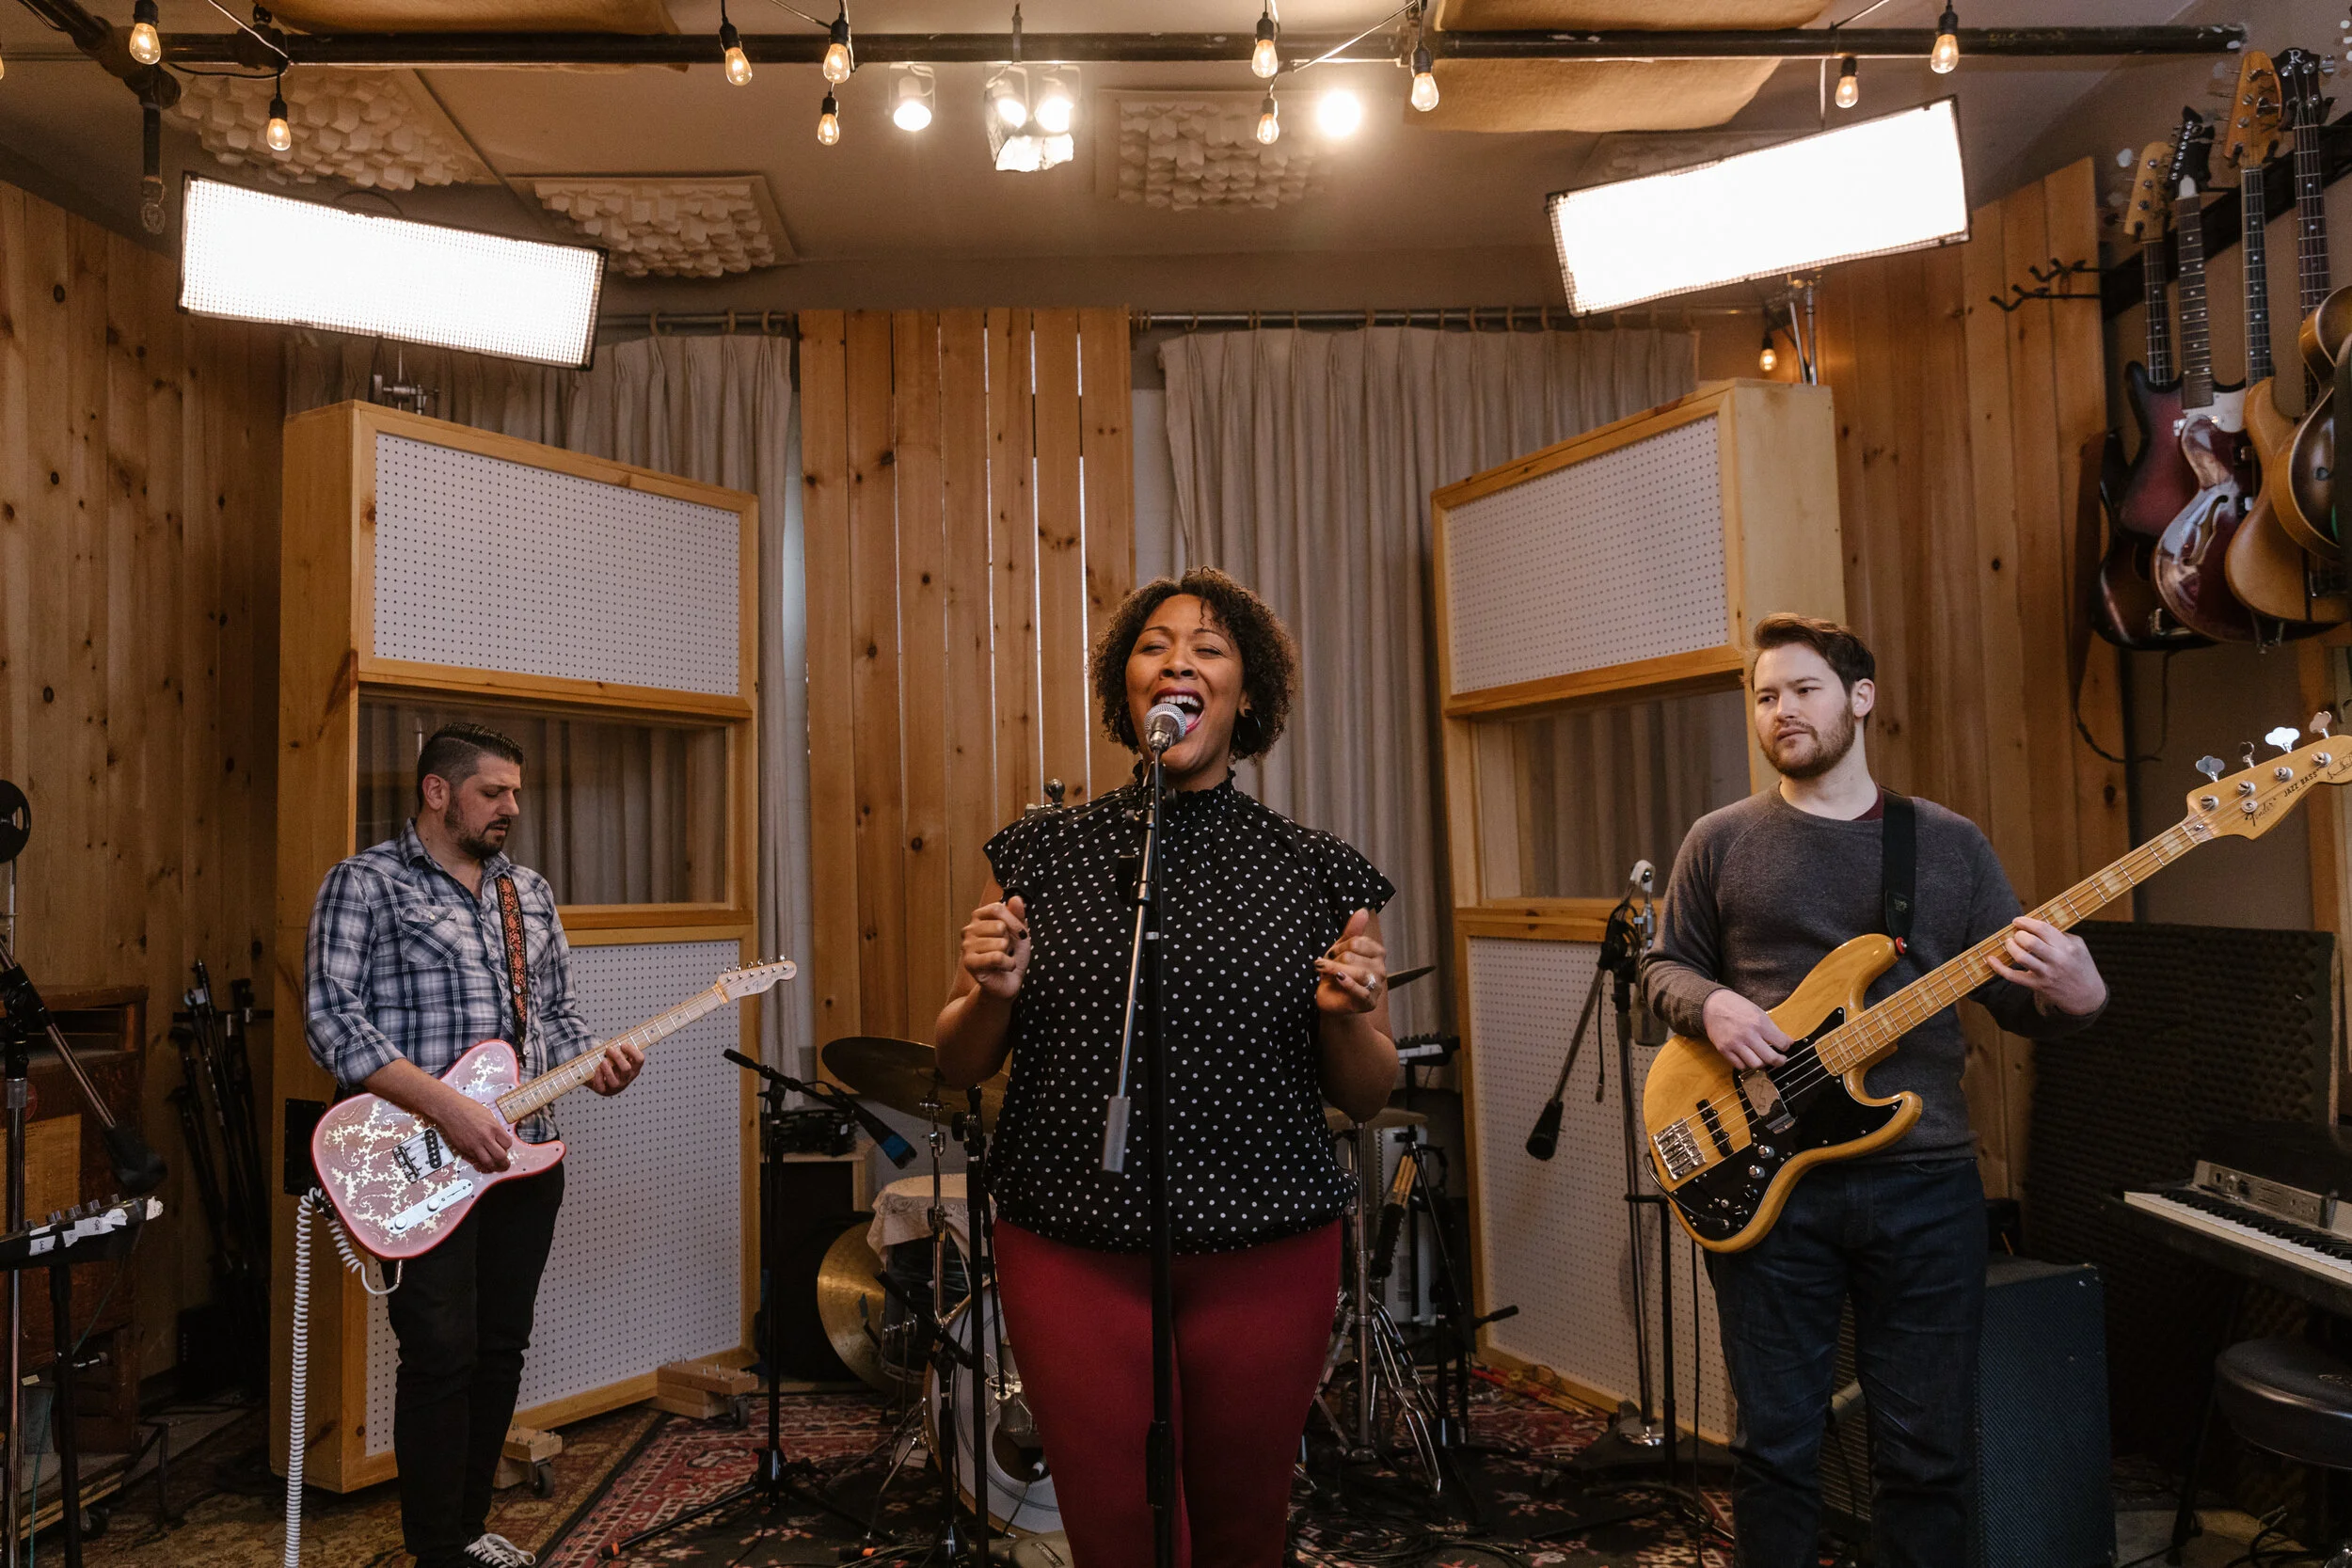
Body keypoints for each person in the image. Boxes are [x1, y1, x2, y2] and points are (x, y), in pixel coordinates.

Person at [934, 568, 1397, 1566]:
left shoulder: (1319, 870)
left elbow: (1366, 1091)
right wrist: (991, 992)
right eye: (1155, 644)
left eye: (1209, 647)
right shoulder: (1038, 854)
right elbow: (953, 1061)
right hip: (1070, 1237)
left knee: (1241, 1526)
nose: (1178, 658)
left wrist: (1347, 1016)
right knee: (1117, 1532)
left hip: (1265, 1239)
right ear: (1127, 688)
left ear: (1247, 695)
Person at [1638, 614, 2107, 1568]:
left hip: (1924, 1180)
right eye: (1765, 696)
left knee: (1927, 1455)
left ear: (1859, 697)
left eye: (1802, 689)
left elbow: (2019, 1011)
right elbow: (1660, 970)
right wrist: (1714, 1003)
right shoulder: (1719, 839)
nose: (1781, 711)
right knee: (1774, 1449)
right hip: (1767, 1174)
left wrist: (2080, 994)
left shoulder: (1947, 844)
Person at [306, 722, 645, 1568]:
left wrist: (593, 1064)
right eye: (494, 792)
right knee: (439, 1352)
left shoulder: (525, 891)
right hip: (419, 1159)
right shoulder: (366, 883)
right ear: (437, 791)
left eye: (516, 793)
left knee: (500, 1346)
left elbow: (557, 1014)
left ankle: (466, 1525)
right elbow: (330, 1017)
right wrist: (447, 1108)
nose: (512, 807)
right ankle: (435, 1548)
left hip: (524, 1153)